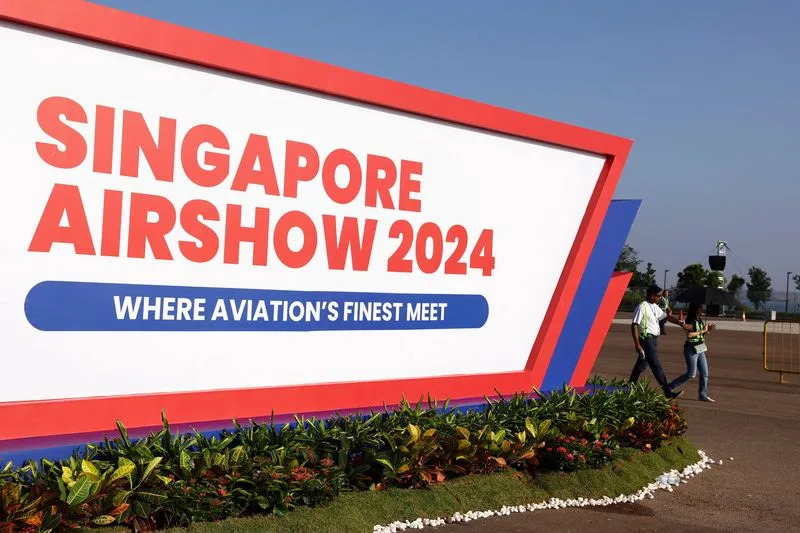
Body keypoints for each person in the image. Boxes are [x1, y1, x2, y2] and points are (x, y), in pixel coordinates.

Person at [630, 285, 692, 398]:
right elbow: (634, 325)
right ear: (652, 296)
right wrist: (637, 344)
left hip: (653, 339)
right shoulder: (642, 307)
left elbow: (666, 317)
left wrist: (681, 324)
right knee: (656, 365)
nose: (660, 298)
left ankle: (630, 385)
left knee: (642, 364)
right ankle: (667, 393)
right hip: (646, 339)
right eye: (658, 296)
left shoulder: (654, 306)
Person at [668, 302, 716, 402]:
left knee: (704, 373)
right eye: (700, 308)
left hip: (700, 348)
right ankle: (670, 387)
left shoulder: (700, 320)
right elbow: (689, 335)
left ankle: (703, 394)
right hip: (691, 348)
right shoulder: (690, 320)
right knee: (691, 374)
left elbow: (700, 336)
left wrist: (707, 331)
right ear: (695, 310)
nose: (702, 310)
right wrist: (702, 331)